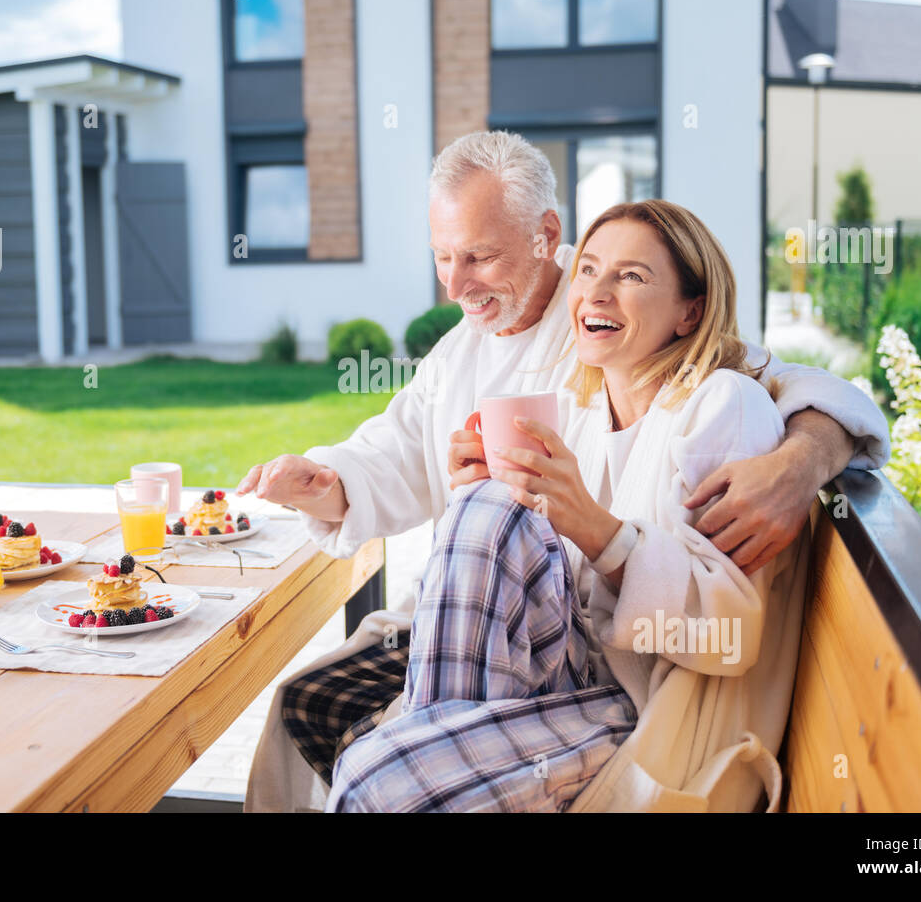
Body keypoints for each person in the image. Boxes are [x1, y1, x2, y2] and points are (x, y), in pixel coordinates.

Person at [241, 131, 888, 813]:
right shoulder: (491, 353)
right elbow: (399, 447)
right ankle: (434, 748)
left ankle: (420, 753)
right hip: (513, 627)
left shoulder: (640, 335)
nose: (457, 284)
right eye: (442, 258)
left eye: (480, 257)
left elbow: (781, 383)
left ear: (548, 235)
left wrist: (802, 459)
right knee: (309, 700)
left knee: (376, 761)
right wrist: (330, 482)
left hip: (619, 671)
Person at [329, 198, 803, 811]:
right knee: (487, 510)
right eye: (587, 269)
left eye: (631, 276)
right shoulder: (577, 411)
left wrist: (599, 531)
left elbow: (731, 634)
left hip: (655, 709)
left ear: (691, 311)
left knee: (373, 775)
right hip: (575, 674)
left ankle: (425, 739)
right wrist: (488, 490)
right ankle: (432, 737)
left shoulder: (723, 407)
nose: (596, 293)